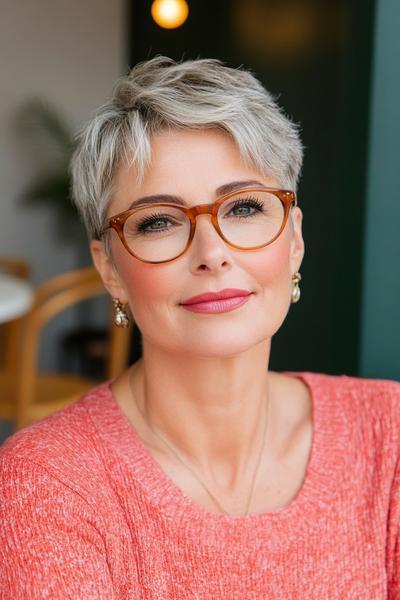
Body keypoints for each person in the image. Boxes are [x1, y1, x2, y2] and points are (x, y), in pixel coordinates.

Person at [0, 56, 399, 599]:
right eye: (159, 221)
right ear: (110, 269)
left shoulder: (389, 437)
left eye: (244, 208)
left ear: (295, 241)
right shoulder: (45, 483)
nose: (212, 254)